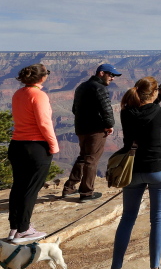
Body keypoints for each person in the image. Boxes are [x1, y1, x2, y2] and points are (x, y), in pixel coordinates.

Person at [106, 75, 161, 269]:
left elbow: (145, 113)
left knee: (127, 218)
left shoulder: (126, 113)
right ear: (152, 93)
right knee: (158, 218)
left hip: (132, 171)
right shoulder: (160, 112)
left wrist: (159, 95)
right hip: (159, 171)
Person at [8, 63, 59, 242]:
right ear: (42, 77)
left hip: (16, 145)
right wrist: (53, 145)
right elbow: (44, 123)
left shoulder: (18, 94)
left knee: (18, 187)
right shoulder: (39, 95)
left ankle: (14, 228)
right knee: (30, 189)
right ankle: (23, 230)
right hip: (35, 147)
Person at [62, 63, 121, 202]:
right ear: (101, 73)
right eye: (111, 75)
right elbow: (106, 109)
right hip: (96, 130)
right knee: (92, 160)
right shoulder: (100, 88)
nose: (112, 78)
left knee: (83, 157)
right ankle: (87, 193)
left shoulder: (81, 86)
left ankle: (69, 188)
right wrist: (109, 125)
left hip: (81, 129)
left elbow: (74, 110)